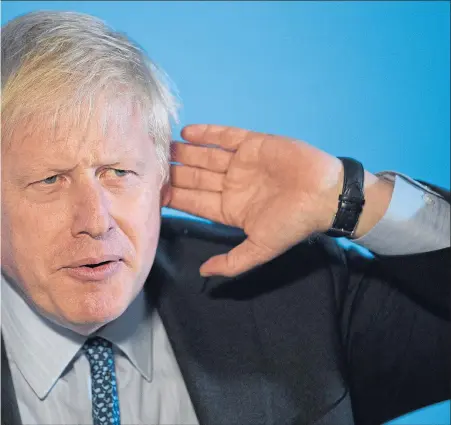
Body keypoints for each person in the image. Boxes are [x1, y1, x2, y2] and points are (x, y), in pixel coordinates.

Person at [1, 10, 449, 425]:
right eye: (49, 180)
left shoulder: (295, 293)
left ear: (161, 180)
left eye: (118, 172)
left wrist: (353, 197)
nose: (96, 221)